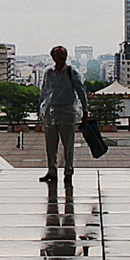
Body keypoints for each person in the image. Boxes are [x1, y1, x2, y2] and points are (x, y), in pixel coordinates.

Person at [39, 46, 90, 187]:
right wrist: (41, 110)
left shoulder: (72, 72)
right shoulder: (48, 72)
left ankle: (68, 171)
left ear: (66, 56)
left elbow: (81, 92)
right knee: (51, 145)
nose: (60, 57)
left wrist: (85, 112)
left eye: (62, 54)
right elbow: (44, 91)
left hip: (68, 112)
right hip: (51, 112)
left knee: (68, 145)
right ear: (52, 57)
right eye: (57, 54)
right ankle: (52, 170)